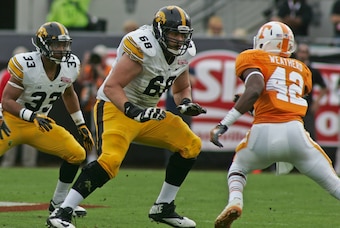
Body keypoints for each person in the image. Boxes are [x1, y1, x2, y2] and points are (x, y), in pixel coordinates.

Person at [47, 5, 206, 228]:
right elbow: (112, 86)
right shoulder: (144, 46)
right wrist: (132, 111)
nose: (180, 39)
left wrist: (186, 104)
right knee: (110, 161)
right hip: (116, 107)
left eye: (183, 34)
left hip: (147, 112)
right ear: (160, 31)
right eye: (174, 33)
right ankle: (62, 211)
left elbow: (180, 90)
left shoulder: (184, 52)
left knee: (191, 145)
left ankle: (163, 207)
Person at [209, 21, 340, 228]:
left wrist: (225, 123)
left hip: (262, 132)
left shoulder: (253, 57)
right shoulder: (302, 68)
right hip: (296, 134)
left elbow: (255, 89)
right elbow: (280, 98)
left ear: (265, 42)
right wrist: (252, 103)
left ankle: (235, 201)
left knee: (239, 168)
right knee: (334, 184)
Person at [0, 22, 94, 217]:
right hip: (11, 120)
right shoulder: (26, 64)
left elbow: (69, 94)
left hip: (39, 123)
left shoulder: (70, 65)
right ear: (43, 45)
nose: (62, 50)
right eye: (56, 45)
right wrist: (31, 115)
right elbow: (7, 100)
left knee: (77, 154)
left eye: (64, 45)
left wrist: (81, 124)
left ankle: (59, 202)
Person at [0, 46, 38, 168]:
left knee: (29, 143)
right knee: (10, 141)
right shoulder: (5, 75)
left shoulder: (33, 75)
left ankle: (28, 166)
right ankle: (10, 165)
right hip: (12, 112)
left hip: (26, 112)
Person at [78, 44, 111, 163]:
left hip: (102, 104)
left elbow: (109, 81)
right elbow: (81, 79)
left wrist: (98, 69)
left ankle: (99, 155)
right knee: (87, 130)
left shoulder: (107, 68)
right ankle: (89, 155)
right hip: (88, 103)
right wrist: (86, 62)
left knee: (99, 131)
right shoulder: (88, 68)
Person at [294, 43, 327, 140]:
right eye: (301, 52)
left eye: (305, 52)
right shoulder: (291, 68)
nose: (303, 55)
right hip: (293, 107)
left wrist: (317, 102)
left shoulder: (313, 71)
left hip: (307, 108)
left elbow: (324, 87)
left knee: (309, 135)